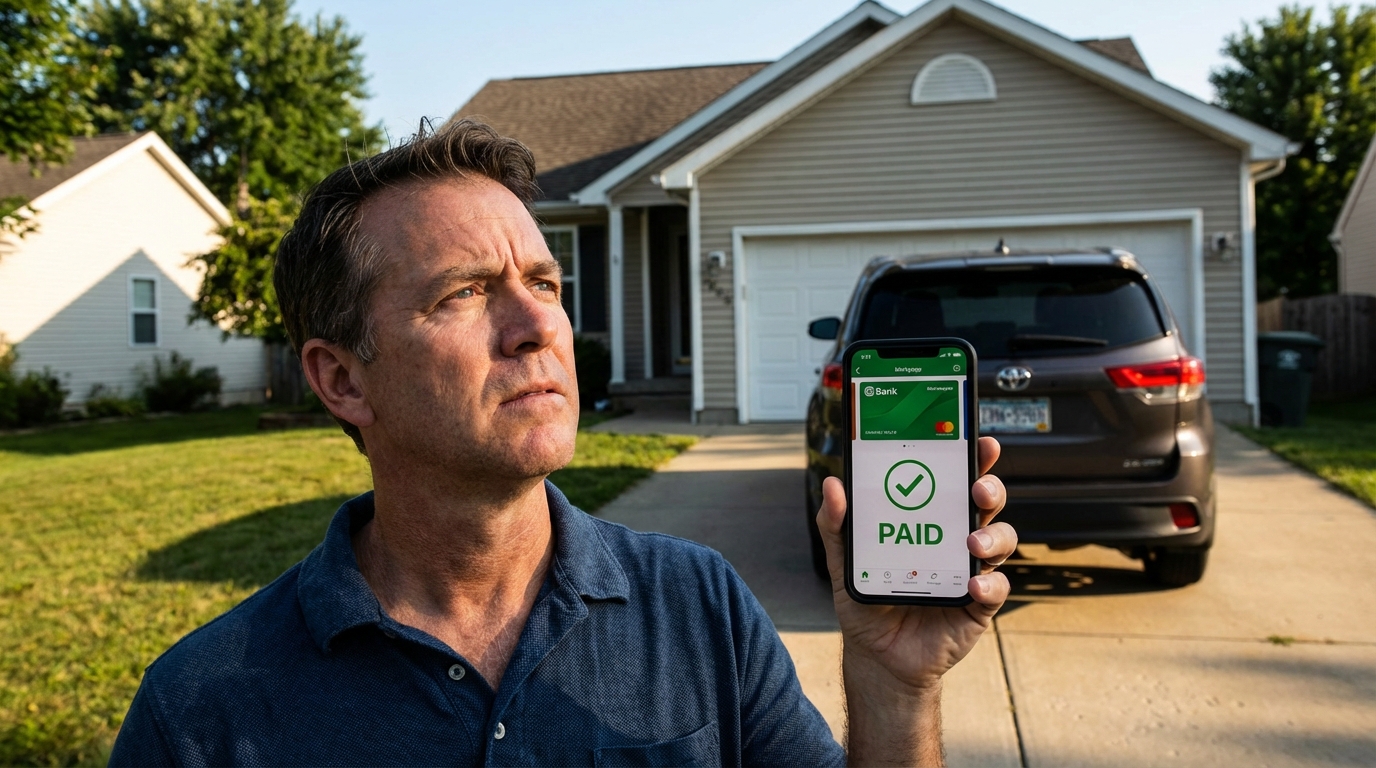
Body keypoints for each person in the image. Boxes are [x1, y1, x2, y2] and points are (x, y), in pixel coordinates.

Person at [109, 119, 1017, 767]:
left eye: (544, 283)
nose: (538, 326)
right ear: (343, 379)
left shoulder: (699, 605)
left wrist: (896, 691)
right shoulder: (203, 708)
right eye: (464, 293)